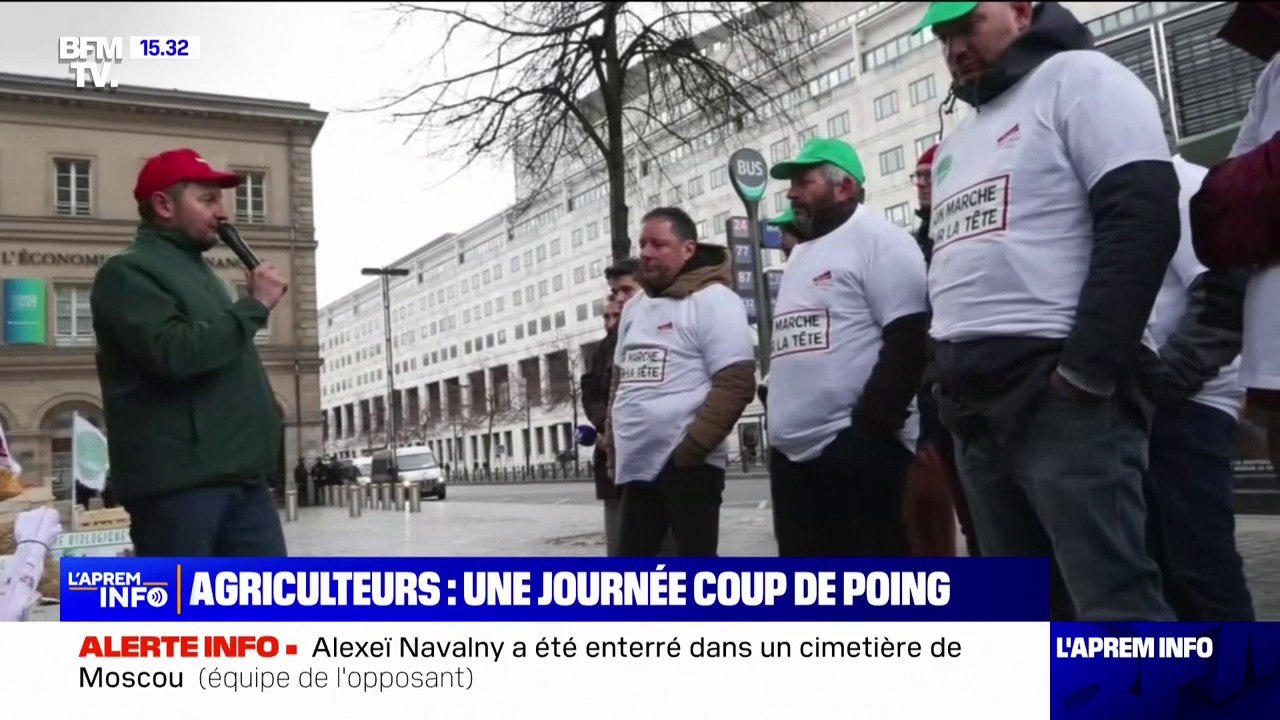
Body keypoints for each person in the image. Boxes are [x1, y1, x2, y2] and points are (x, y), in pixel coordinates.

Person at [916, 1, 1178, 620]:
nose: (955, 46)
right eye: (944, 35)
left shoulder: (1082, 78)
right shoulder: (959, 142)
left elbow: (1141, 217)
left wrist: (1086, 374)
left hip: (1061, 396)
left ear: (1021, 11)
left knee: (1112, 602)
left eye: (968, 25)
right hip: (974, 407)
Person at [90, 148, 290, 557]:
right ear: (163, 204)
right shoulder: (128, 272)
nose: (223, 213)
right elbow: (175, 354)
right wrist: (253, 306)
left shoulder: (201, 272)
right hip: (181, 489)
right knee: (185, 613)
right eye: (208, 199)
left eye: (221, 199)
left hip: (241, 480)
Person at [765, 138, 929, 557]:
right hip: (793, 462)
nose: (792, 192)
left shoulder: (881, 241)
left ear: (845, 188)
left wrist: (869, 430)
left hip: (855, 453)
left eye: (806, 181)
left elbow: (909, 339)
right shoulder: (802, 254)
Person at [606, 207, 756, 556]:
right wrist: (614, 448)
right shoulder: (634, 307)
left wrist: (691, 451)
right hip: (636, 465)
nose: (646, 253)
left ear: (688, 249)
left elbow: (735, 383)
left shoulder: (715, 301)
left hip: (687, 466)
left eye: (659, 244)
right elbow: (620, 381)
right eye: (643, 243)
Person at [1146, 151, 1255, 621]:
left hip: (1188, 404)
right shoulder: (1126, 195)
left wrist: (1160, 388)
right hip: (1151, 405)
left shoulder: (1186, 188)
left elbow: (1222, 298)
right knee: (1163, 569)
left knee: (1200, 569)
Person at [903, 141, 973, 558]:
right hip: (932, 396)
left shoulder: (962, 232)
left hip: (972, 383)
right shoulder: (914, 244)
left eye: (932, 175)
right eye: (919, 177)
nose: (924, 185)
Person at [582, 293, 625, 555]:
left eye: (615, 315)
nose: (609, 322)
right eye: (606, 316)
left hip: (633, 445)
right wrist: (602, 420)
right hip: (607, 447)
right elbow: (589, 389)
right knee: (616, 533)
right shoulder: (599, 351)